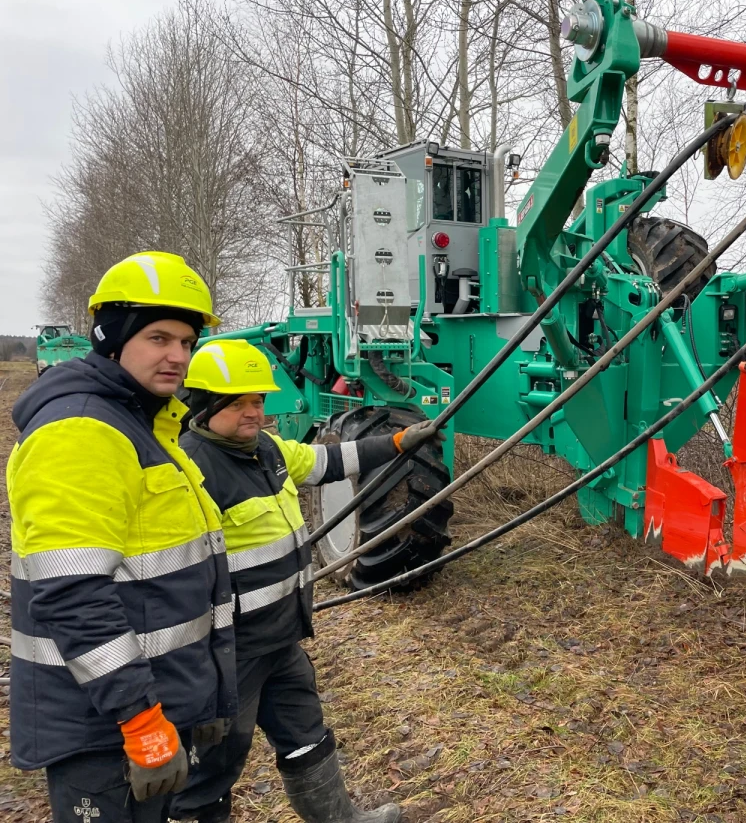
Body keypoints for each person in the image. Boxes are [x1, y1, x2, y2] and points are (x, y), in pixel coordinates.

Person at [169, 339, 442, 823]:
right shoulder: (188, 470)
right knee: (212, 766)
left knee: (307, 736)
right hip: (228, 652)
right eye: (239, 403)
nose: (254, 413)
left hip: (281, 638)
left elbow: (328, 463)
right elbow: (174, 580)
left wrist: (397, 443)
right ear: (206, 406)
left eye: (258, 401)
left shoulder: (267, 450)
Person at [6, 252, 236, 823]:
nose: (178, 356)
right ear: (111, 338)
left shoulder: (144, 425)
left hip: (144, 705)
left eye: (187, 341)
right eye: (159, 337)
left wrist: (193, 695)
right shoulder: (83, 431)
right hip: (103, 726)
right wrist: (140, 719)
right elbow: (73, 593)